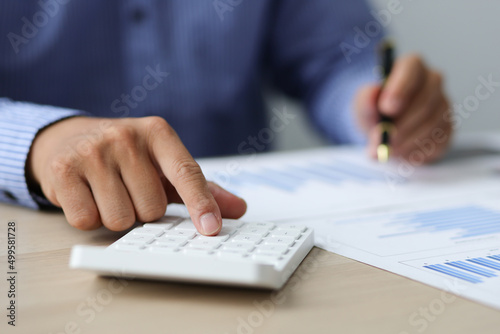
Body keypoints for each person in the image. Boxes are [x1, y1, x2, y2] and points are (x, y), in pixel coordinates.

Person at [0, 1, 451, 235]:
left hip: (244, 224)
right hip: (36, 240)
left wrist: (372, 104)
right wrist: (39, 142)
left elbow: (335, 58)